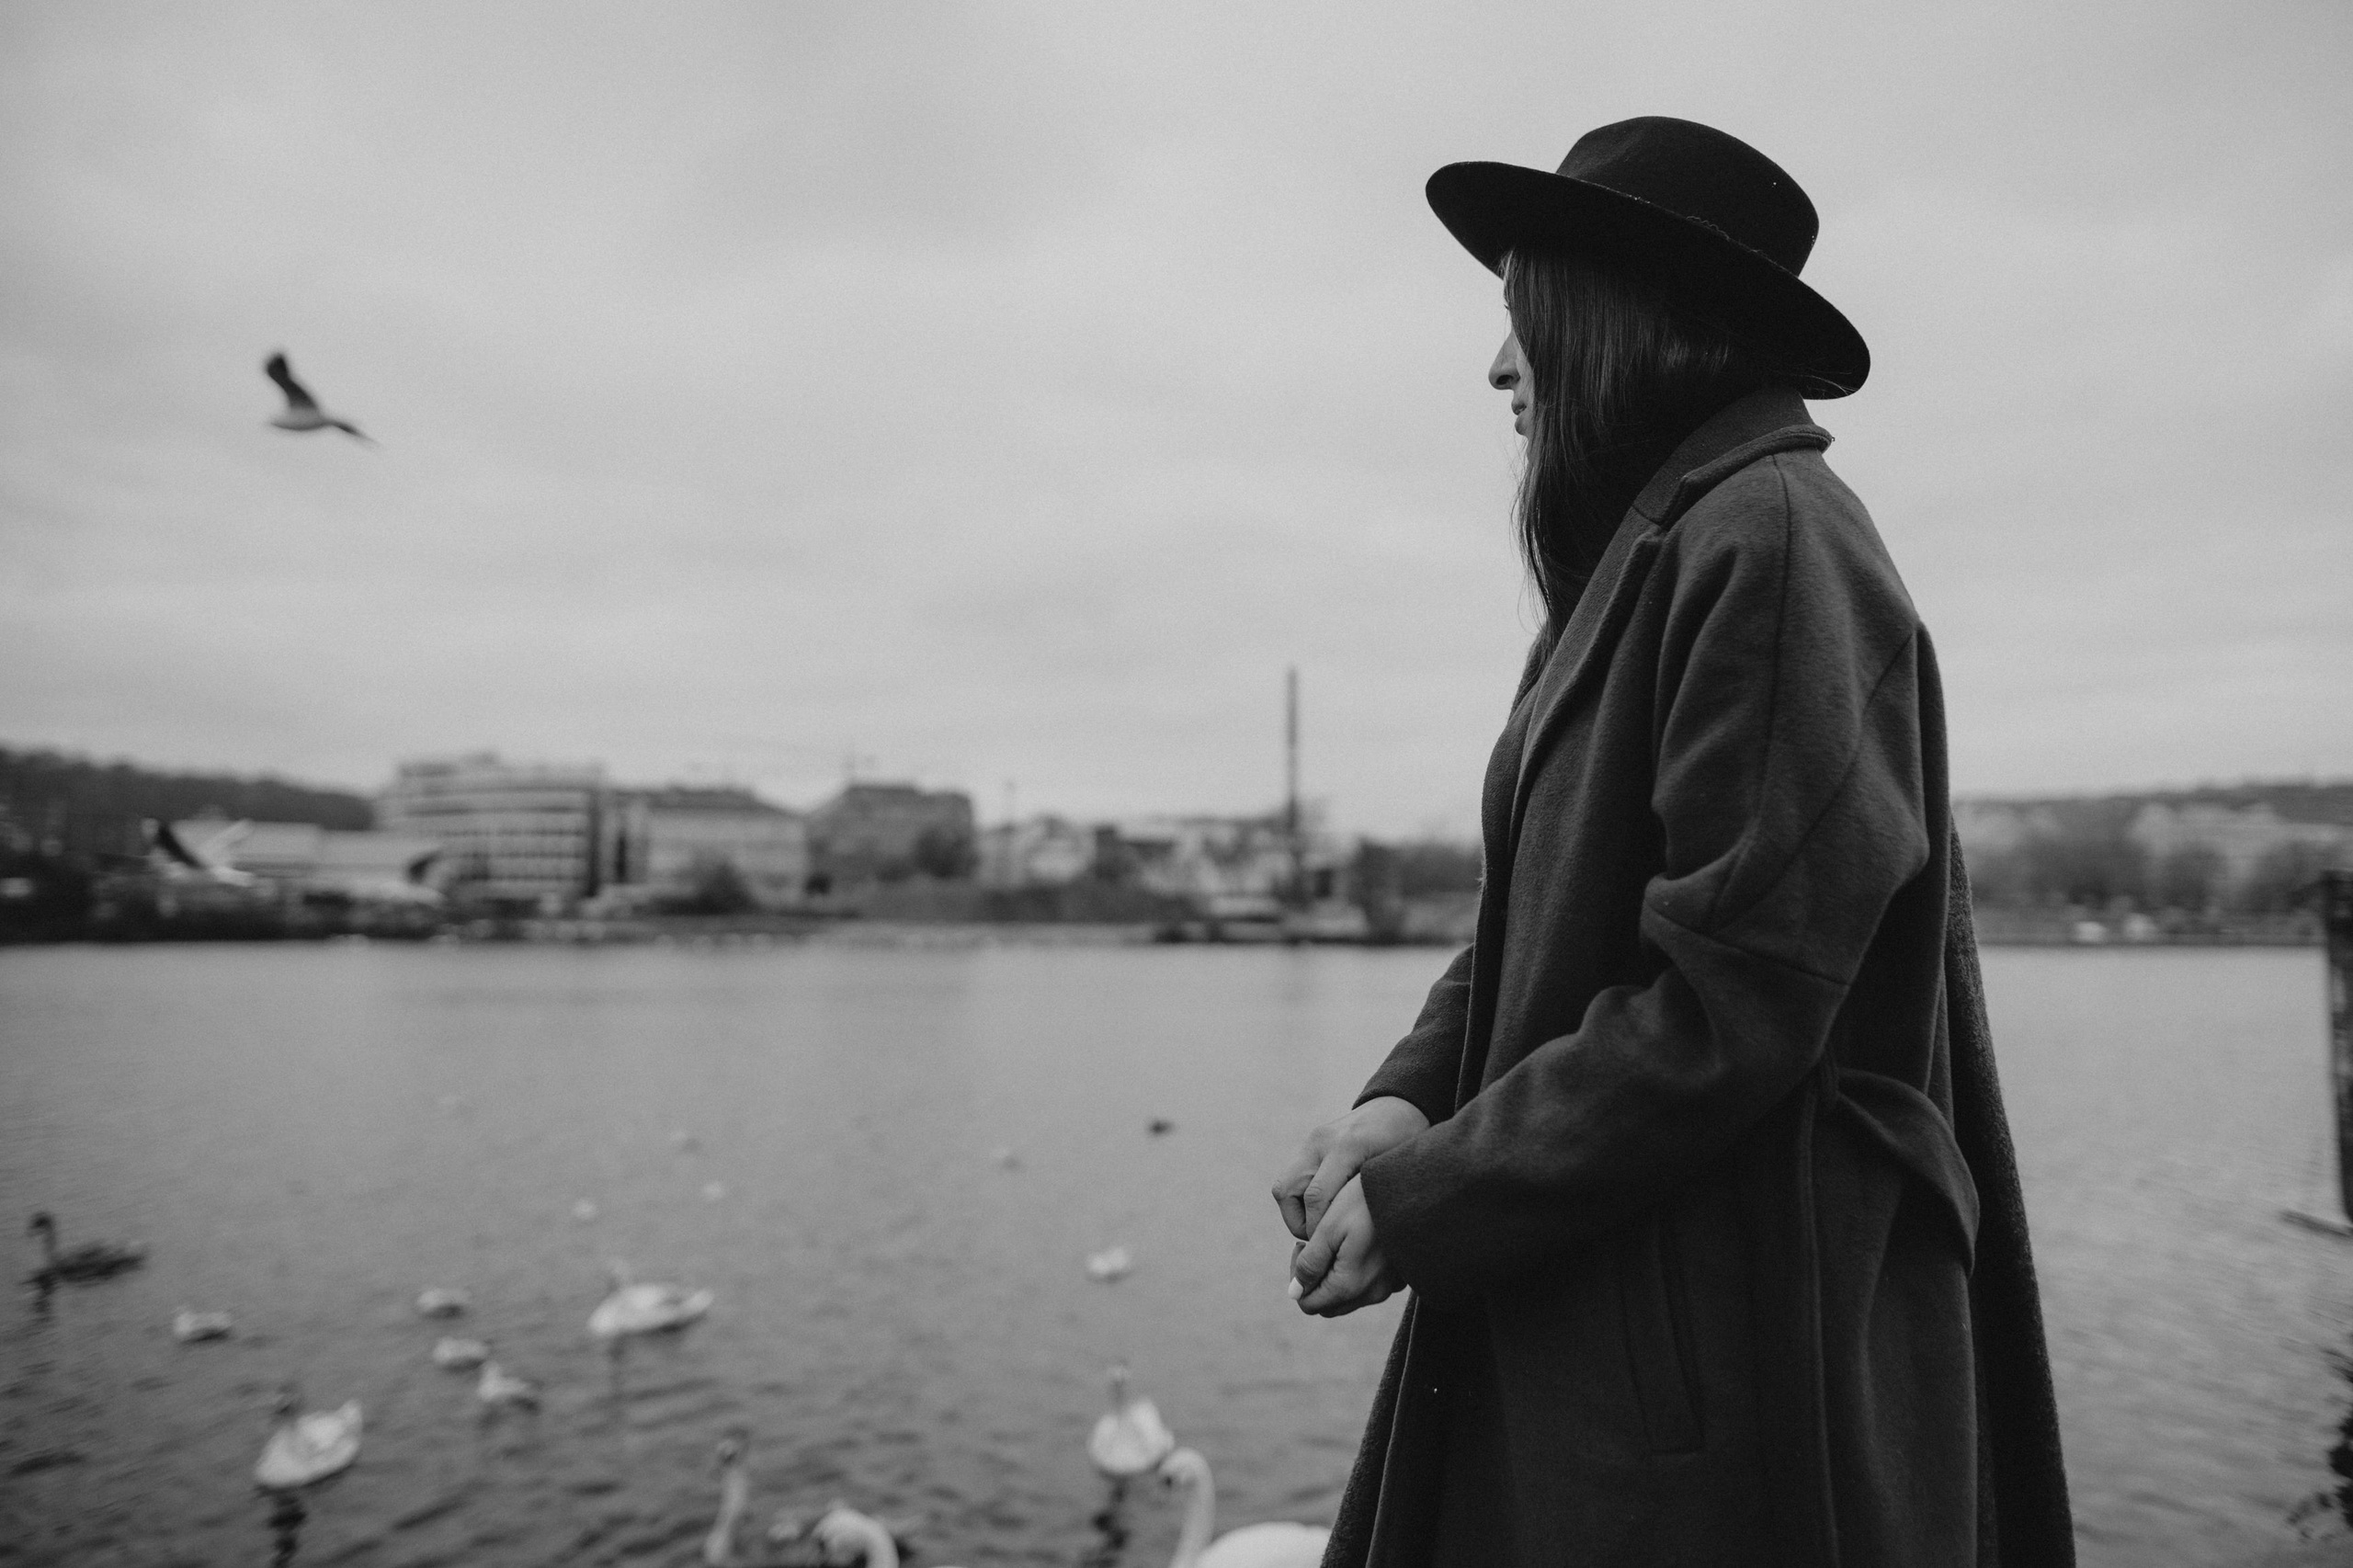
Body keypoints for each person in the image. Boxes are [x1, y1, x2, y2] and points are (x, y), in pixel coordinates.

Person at [1271, 118, 2074, 1567]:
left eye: (1523, 319)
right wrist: (1406, 1098)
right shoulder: (1653, 557)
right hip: (1616, 1312)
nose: (1500, 368)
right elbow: (1534, 927)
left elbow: (1726, 1004)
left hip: (1736, 1358)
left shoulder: (1773, 542)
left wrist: (1434, 1198)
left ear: (1622, 323)